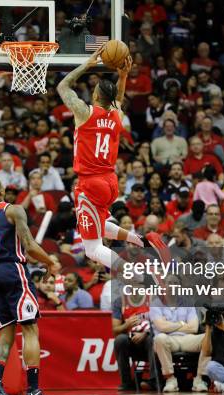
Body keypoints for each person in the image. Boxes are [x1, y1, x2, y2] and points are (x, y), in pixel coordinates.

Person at [56, 45, 163, 271]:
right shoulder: (117, 114)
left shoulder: (84, 113)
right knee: (99, 225)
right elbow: (119, 99)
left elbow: (62, 86)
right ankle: (142, 241)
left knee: (92, 248)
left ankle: (136, 277)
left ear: (95, 95)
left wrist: (88, 64)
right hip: (110, 181)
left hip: (91, 182)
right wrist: (123, 76)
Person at [0, 176, 56, 395]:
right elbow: (29, 245)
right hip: (12, 272)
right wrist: (50, 262)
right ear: (1, 190)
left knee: (5, 334)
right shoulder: (14, 210)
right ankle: (33, 390)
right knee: (30, 329)